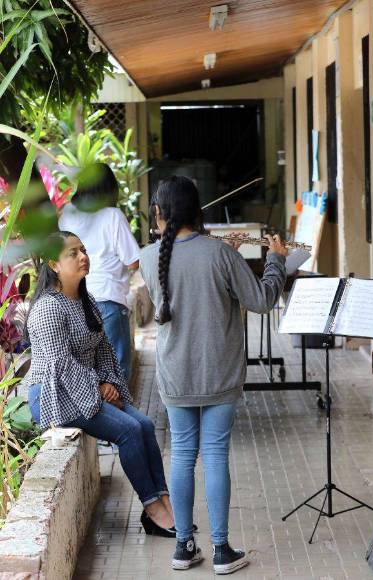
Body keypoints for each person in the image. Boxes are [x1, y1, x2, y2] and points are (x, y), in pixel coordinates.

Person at [139, 176, 287, 574]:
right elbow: (261, 299)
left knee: (182, 454)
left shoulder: (148, 257)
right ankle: (221, 550)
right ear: (198, 211)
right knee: (216, 454)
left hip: (176, 373)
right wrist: (276, 260)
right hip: (218, 371)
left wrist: (225, 260)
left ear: (159, 213)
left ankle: (183, 547)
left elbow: (180, 288)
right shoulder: (220, 254)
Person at [24, 231, 177, 538]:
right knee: (128, 430)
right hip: (54, 394)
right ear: (54, 264)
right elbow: (61, 364)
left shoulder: (86, 299)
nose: (83, 256)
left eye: (83, 249)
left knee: (145, 425)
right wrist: (98, 390)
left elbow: (103, 348)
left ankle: (164, 501)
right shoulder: (48, 308)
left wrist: (109, 381)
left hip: (84, 388)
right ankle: (152, 509)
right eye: (73, 253)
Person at [58, 163, 141, 382]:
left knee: (86, 372)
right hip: (108, 301)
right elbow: (133, 261)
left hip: (75, 301)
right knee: (116, 375)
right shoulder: (113, 216)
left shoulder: (67, 214)